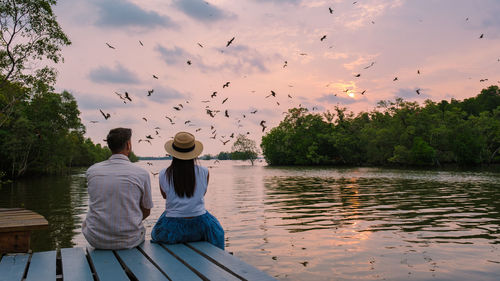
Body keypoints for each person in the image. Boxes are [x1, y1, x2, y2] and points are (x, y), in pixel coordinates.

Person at [82, 128, 153, 249]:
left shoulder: (92, 171)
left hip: (96, 239)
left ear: (109, 146)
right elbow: (146, 211)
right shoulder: (141, 173)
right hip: (130, 240)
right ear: (128, 145)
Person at [151, 132, 224, 249]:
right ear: (194, 153)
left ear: (173, 153)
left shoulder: (163, 174)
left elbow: (165, 196)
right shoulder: (205, 172)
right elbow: (202, 194)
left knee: (156, 232)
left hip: (173, 228)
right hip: (201, 226)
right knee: (218, 232)